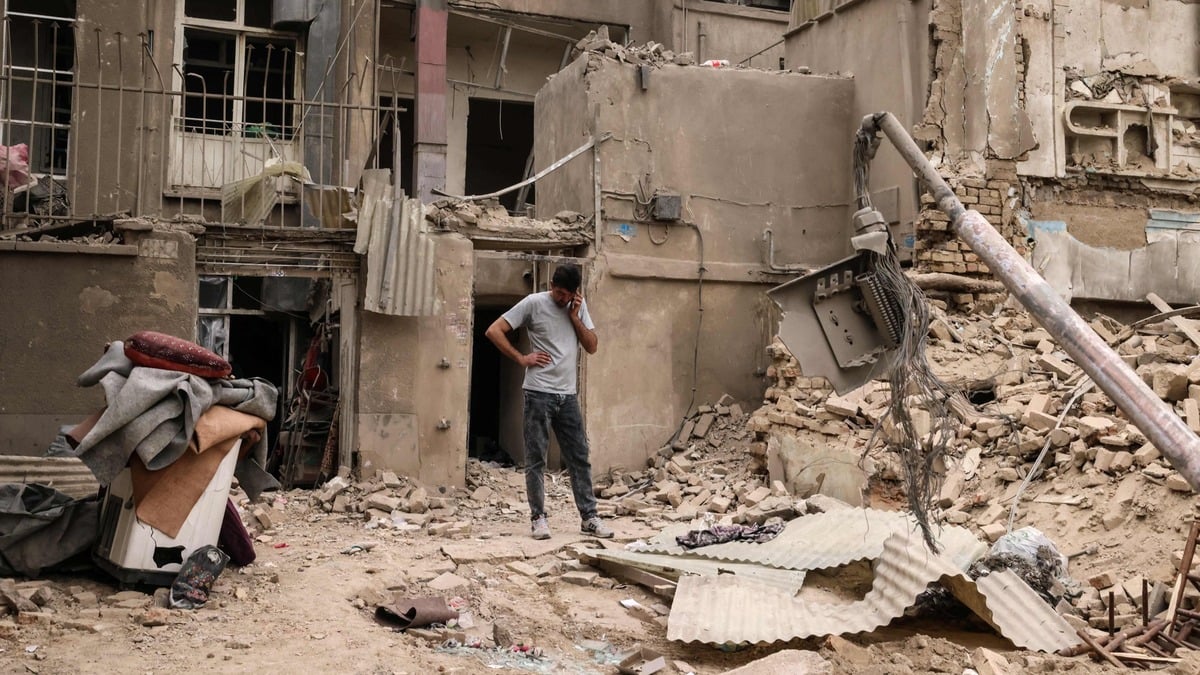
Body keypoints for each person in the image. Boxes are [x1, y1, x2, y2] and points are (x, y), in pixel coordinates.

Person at [485, 264, 613, 540]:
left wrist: (576, 316)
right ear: (551, 284)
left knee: (579, 457)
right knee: (536, 459)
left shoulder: (577, 307)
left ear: (575, 293)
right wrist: (521, 358)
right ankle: (538, 519)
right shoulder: (533, 303)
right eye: (558, 292)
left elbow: (592, 346)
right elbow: (494, 330)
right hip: (538, 392)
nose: (561, 298)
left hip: (567, 396)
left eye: (567, 295)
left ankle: (589, 518)